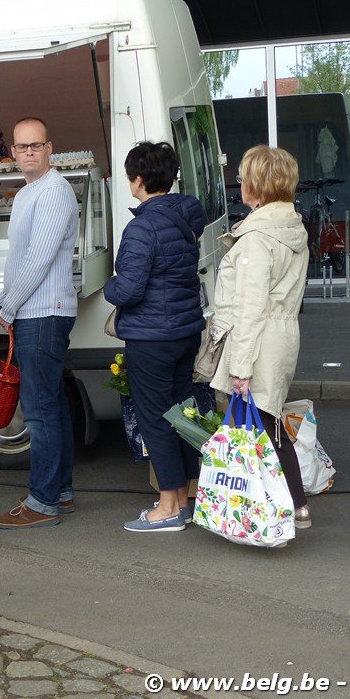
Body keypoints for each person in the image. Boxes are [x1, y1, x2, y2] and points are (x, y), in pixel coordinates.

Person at [102, 142, 207, 532]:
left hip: (151, 337)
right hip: (185, 331)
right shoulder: (185, 216)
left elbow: (127, 291)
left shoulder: (142, 227)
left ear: (139, 180)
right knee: (182, 413)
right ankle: (184, 496)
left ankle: (167, 507)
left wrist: (110, 287)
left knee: (156, 418)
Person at [210, 146, 311, 529]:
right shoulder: (289, 226)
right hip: (281, 334)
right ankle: (284, 504)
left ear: (256, 183)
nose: (239, 186)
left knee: (258, 425)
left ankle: (281, 507)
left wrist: (240, 367)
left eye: (241, 178)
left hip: (259, 339)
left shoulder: (255, 237)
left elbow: (250, 307)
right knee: (262, 422)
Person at [0, 117, 79, 529]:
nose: (28, 152)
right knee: (52, 407)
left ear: (50, 149)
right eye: (21, 146)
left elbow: (38, 259)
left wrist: (6, 307)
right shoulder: (29, 192)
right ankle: (58, 491)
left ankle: (42, 503)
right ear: (13, 151)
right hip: (36, 310)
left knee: (40, 413)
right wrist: (8, 304)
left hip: (43, 313)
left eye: (35, 146)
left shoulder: (54, 191)